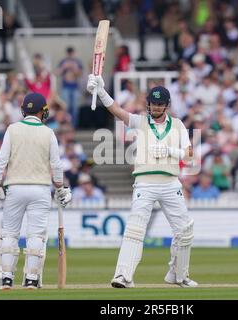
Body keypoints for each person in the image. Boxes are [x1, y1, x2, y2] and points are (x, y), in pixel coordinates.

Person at [86, 74, 198, 288]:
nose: (156, 108)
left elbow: (189, 154)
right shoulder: (140, 122)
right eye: (153, 104)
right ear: (148, 104)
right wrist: (101, 91)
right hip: (145, 183)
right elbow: (117, 111)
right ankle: (123, 276)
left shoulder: (178, 125)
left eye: (160, 104)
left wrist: (169, 150)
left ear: (167, 105)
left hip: (170, 183)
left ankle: (178, 275)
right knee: (135, 230)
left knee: (185, 230)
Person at [0, 93, 72, 290]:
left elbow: (1, 161)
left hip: (15, 188)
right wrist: (60, 187)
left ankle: (7, 277)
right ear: (43, 111)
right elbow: (56, 166)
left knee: (9, 233)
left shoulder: (12, 129)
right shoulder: (48, 133)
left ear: (23, 110)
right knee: (36, 235)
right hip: (40, 190)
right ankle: (32, 279)